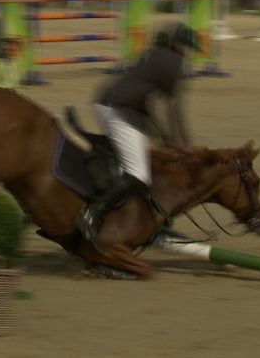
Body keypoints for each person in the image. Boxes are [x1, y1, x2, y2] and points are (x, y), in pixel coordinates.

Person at [74, 22, 197, 243]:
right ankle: (91, 214)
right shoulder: (175, 63)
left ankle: (122, 213)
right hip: (117, 108)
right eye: (186, 46)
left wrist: (165, 138)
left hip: (112, 103)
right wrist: (184, 141)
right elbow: (173, 109)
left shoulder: (154, 54)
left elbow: (149, 106)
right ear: (178, 44)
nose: (187, 51)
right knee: (138, 174)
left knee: (135, 164)